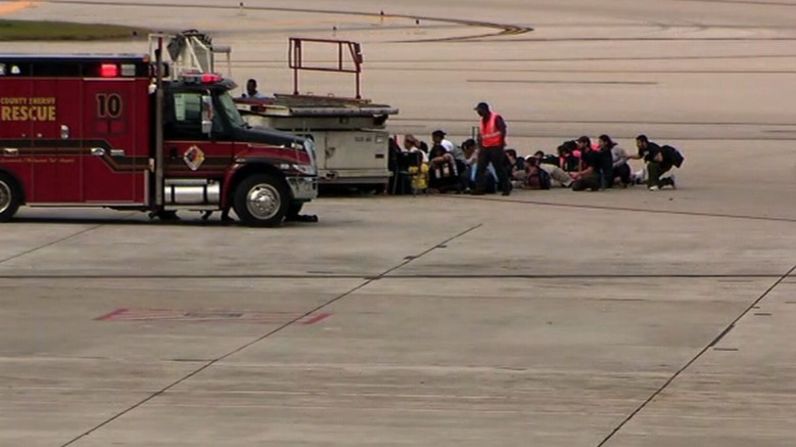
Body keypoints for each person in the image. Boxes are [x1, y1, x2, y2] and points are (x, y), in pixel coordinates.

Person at [473, 102, 511, 196]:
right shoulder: (482, 121)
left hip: (496, 147)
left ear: (485, 110)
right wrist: (480, 146)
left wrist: (501, 145)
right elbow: (482, 134)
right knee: (480, 168)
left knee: (499, 168)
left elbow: (502, 130)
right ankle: (479, 188)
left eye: (480, 111)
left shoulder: (496, 117)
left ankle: (506, 188)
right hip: (485, 147)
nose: (478, 113)